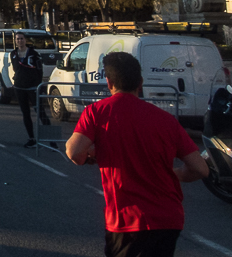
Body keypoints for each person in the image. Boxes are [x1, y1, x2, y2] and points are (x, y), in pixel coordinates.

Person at [65, 51, 208, 257]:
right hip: (168, 219)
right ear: (140, 82)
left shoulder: (98, 112)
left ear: (109, 82)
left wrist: (91, 156)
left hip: (128, 220)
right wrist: (174, 174)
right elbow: (200, 168)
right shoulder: (166, 120)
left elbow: (74, 152)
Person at [10, 32, 50, 148]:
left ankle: (52, 140)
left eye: (22, 39)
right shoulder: (13, 54)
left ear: (25, 40)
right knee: (25, 113)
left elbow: (39, 70)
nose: (20, 41)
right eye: (18, 39)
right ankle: (31, 138)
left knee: (40, 113)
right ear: (15, 41)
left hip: (33, 87)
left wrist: (39, 85)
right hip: (19, 87)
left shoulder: (33, 54)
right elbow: (15, 68)